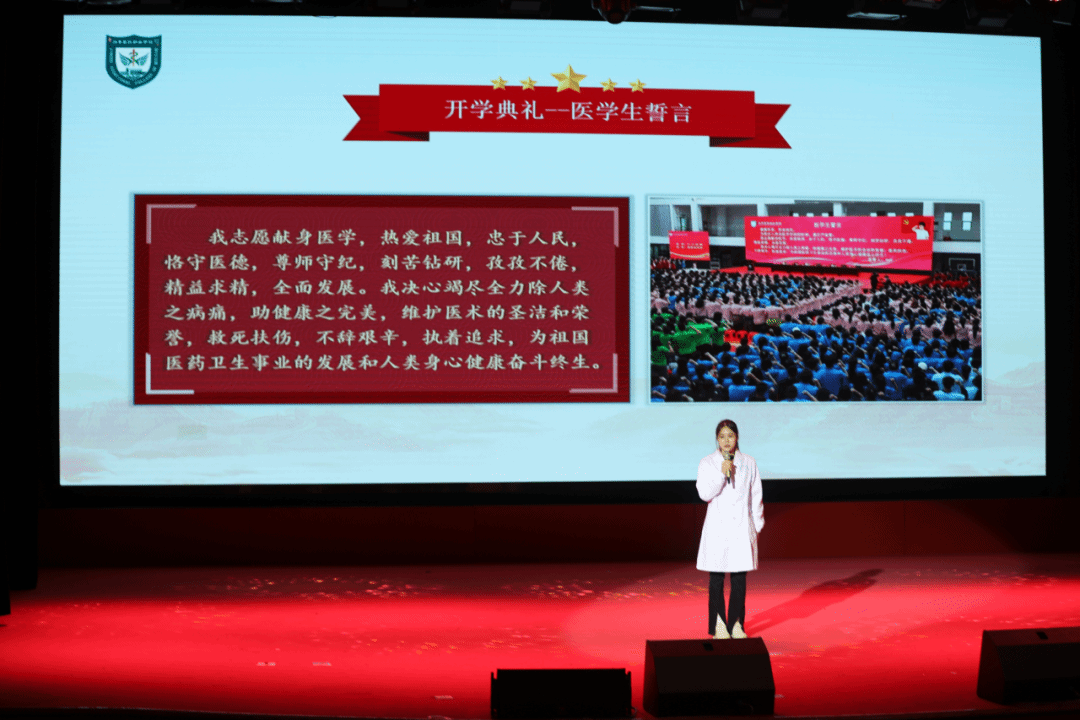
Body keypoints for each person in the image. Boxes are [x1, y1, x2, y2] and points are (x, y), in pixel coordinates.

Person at [696, 419, 765, 640]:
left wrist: (757, 525)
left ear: (737, 438)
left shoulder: (749, 462)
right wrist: (721, 473)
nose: (726, 441)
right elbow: (704, 494)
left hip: (741, 527)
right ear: (717, 439)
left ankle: (736, 623)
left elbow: (756, 496)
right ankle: (718, 623)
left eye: (731, 436)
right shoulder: (707, 463)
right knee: (716, 577)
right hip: (717, 528)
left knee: (739, 578)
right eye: (722, 436)